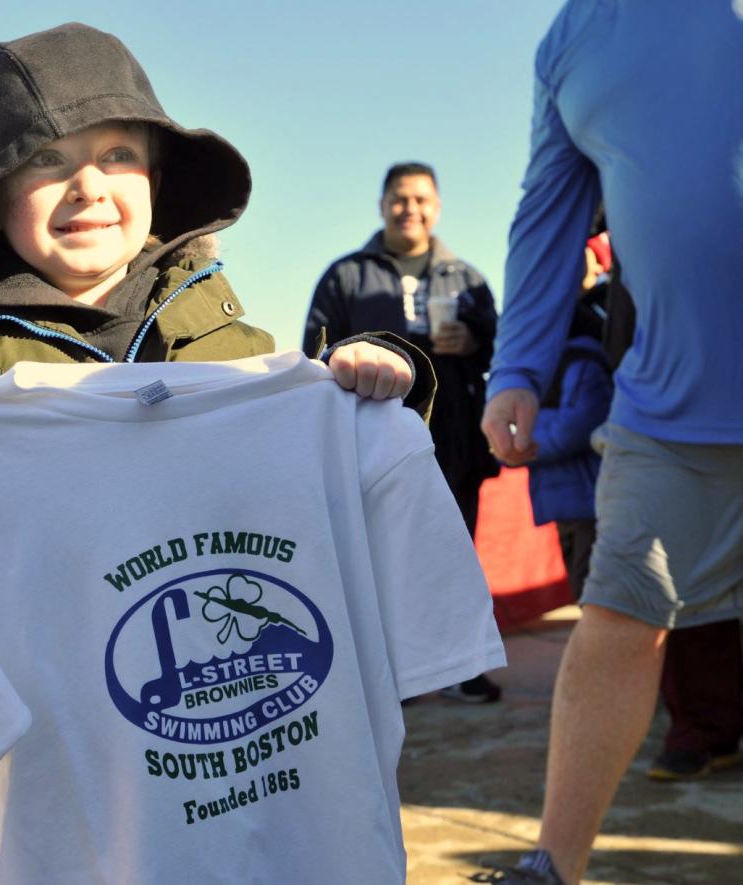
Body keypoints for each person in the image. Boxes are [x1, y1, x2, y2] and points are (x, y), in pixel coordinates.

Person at [0, 22, 438, 885]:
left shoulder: (241, 353)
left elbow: (351, 518)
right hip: (48, 818)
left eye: (115, 155)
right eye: (46, 162)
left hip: (258, 806)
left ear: (157, 178)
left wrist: (380, 393)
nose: (88, 186)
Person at [476, 2, 743, 882]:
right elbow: (548, 213)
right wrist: (515, 365)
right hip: (668, 402)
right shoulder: (575, 36)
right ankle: (553, 866)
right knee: (621, 609)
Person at [303, 161, 502, 703]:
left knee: (459, 547)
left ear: (435, 208)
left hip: (455, 438)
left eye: (420, 200)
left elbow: (502, 349)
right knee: (380, 553)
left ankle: (466, 667)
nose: (409, 208)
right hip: (370, 439)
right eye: (400, 199)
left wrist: (476, 343)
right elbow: (312, 351)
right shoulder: (347, 275)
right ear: (383, 204)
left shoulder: (467, 277)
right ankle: (396, 672)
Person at [524, 241, 612, 601]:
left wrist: (524, 441)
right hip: (563, 501)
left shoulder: (588, 344)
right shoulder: (535, 354)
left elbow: (580, 423)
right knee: (584, 591)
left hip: (593, 498)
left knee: (596, 596)